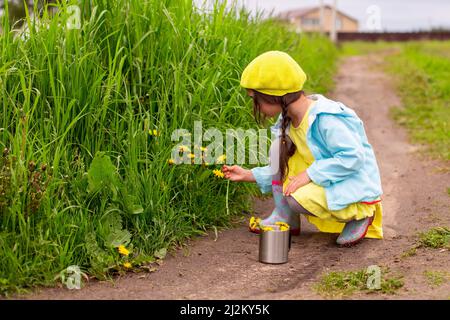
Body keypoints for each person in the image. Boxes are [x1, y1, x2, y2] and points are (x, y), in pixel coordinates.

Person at [222, 51, 383, 246]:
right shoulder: (287, 120)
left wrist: (309, 174)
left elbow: (353, 158)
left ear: (274, 97)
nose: (255, 106)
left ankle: (359, 215)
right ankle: (285, 216)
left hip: (350, 182)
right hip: (327, 176)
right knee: (279, 149)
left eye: (256, 99)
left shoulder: (326, 118)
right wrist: (248, 175)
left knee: (295, 198)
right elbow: (283, 165)